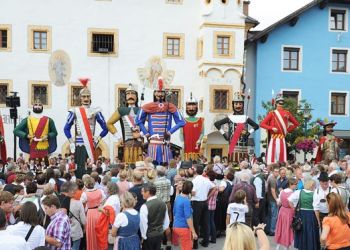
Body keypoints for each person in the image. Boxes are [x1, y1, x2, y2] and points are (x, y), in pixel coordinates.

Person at [64, 78, 108, 179]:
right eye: (84, 96)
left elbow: (105, 128)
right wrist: (71, 142)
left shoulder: (96, 111)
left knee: (90, 166)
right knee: (79, 167)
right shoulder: (74, 111)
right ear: (80, 98)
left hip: (91, 142)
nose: (86, 98)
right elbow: (66, 128)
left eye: (88, 96)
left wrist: (98, 138)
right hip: (79, 142)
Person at [135, 77, 185, 165]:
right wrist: (146, 133)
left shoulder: (171, 106)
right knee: (151, 168)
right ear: (154, 93)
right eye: (158, 91)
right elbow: (138, 120)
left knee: (165, 167)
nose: (160, 94)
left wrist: (169, 132)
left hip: (165, 144)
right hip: (152, 144)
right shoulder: (148, 106)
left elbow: (182, 122)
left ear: (165, 93)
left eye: (162, 92)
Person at [214, 91, 259, 162]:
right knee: (232, 164)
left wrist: (249, 133)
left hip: (243, 147)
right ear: (233, 105)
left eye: (240, 104)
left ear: (243, 105)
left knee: (243, 164)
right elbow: (216, 124)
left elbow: (256, 126)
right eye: (236, 104)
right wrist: (224, 134)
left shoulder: (245, 117)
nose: (238, 106)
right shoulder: (230, 117)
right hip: (233, 146)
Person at [107, 83, 143, 164]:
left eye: (133, 93)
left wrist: (142, 133)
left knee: (139, 166)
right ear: (125, 97)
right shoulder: (121, 110)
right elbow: (109, 123)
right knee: (128, 165)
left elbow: (151, 123)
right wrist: (119, 138)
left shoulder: (141, 110)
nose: (130, 95)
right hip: (127, 143)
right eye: (128, 93)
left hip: (140, 143)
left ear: (136, 97)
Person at [260, 93, 299, 164]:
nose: (280, 104)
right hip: (273, 137)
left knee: (281, 157)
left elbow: (296, 123)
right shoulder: (272, 113)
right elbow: (262, 124)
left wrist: (287, 130)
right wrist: (271, 128)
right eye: (278, 102)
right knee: (272, 156)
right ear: (275, 103)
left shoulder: (287, 113)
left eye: (282, 102)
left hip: (281, 138)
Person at [288, 179, 320, 250]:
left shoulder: (299, 192)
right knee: (310, 231)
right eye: (314, 185)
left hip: (301, 214)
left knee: (301, 230)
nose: (315, 187)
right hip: (311, 215)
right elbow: (316, 209)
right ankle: (310, 247)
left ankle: (302, 246)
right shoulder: (314, 194)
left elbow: (289, 200)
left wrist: (294, 209)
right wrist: (318, 221)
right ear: (312, 186)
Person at [191, 164, 215, 249]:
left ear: (195, 171)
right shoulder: (206, 180)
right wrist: (208, 196)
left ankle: (195, 243)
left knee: (196, 223)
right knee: (205, 223)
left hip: (197, 202)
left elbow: (193, 192)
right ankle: (205, 242)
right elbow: (214, 187)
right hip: (204, 202)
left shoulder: (195, 180)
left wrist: (189, 193)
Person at [140, 183, 170, 250]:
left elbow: (143, 224)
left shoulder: (145, 206)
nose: (141, 193)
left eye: (142, 191)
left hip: (149, 236)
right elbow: (166, 222)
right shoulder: (163, 204)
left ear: (147, 192)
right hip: (159, 234)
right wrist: (161, 230)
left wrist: (143, 237)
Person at [80, 176, 106, 250]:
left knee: (92, 233)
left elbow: (81, 202)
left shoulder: (85, 194)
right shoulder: (100, 191)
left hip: (90, 213)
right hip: (99, 211)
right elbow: (104, 198)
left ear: (86, 185)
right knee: (100, 232)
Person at [173, 180, 197, 250]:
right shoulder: (186, 201)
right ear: (190, 190)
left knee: (183, 246)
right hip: (183, 228)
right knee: (187, 248)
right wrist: (193, 232)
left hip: (176, 226)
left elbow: (174, 212)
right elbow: (188, 218)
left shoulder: (178, 198)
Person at [274, 178, 297, 250]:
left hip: (282, 211)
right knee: (287, 229)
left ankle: (277, 246)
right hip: (289, 212)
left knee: (280, 228)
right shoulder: (293, 194)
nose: (296, 186)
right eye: (295, 184)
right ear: (291, 184)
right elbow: (294, 205)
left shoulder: (282, 191)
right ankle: (285, 247)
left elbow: (278, 202)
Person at [182, 93, 204, 161]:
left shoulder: (201, 120)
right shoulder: (183, 120)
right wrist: (183, 142)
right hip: (186, 147)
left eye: (193, 105)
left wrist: (199, 140)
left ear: (196, 106)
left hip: (196, 147)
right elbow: (181, 133)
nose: (191, 107)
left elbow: (202, 133)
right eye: (189, 105)